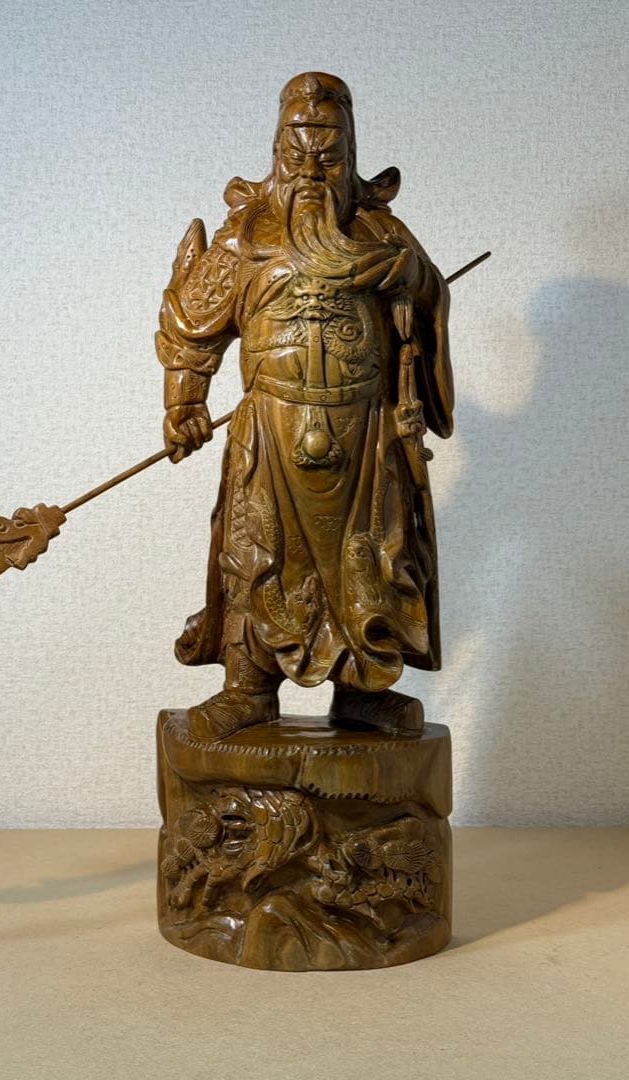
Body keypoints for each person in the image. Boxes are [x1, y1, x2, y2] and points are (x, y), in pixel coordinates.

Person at [157, 72, 452, 740]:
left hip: (366, 431)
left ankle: (363, 689)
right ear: (275, 154)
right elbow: (193, 324)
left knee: (372, 558)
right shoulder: (244, 236)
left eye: (329, 156)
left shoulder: (382, 235)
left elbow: (427, 304)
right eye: (297, 156)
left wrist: (416, 283)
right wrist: (184, 401)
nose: (312, 171)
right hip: (271, 428)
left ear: (351, 154)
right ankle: (248, 687)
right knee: (255, 553)